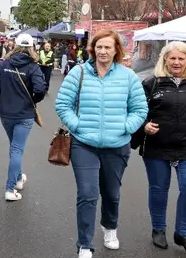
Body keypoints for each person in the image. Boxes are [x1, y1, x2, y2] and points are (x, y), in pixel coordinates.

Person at [55, 29, 148, 258]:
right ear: (92, 49)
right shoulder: (79, 73)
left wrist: (125, 127)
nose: (103, 51)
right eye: (99, 47)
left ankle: (110, 227)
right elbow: (62, 104)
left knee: (111, 193)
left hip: (117, 145)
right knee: (87, 193)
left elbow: (140, 109)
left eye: (108, 47)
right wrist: (76, 125)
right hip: (84, 144)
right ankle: (84, 244)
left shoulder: (128, 76)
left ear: (116, 50)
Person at [0, 34, 47, 201]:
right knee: (17, 149)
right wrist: (33, 100)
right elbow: (41, 89)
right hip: (24, 114)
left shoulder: (4, 64)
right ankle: (10, 188)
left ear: (15, 46)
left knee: (15, 147)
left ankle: (19, 178)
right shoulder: (33, 67)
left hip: (6, 114)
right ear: (32, 47)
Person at [132, 41, 186, 250]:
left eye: (181, 58)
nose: (177, 62)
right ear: (165, 59)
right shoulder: (151, 83)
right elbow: (137, 111)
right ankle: (158, 229)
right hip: (157, 147)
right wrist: (144, 126)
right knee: (159, 190)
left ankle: (182, 232)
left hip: (184, 147)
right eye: (172, 58)